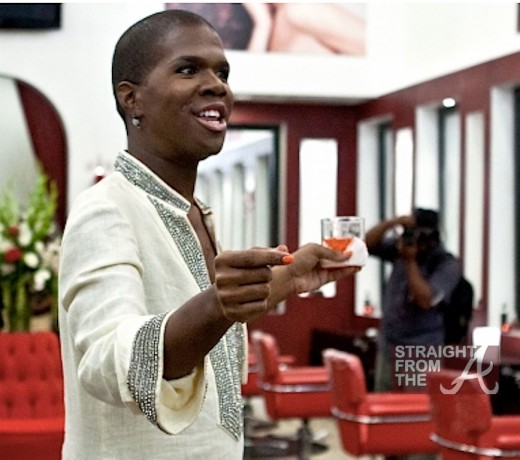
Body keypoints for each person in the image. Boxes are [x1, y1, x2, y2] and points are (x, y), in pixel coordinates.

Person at [58, 10, 361, 460]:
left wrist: (290, 278)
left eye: (222, 73)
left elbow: (198, 312)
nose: (216, 85)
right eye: (187, 69)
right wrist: (218, 304)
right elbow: (107, 359)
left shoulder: (193, 210)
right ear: (132, 99)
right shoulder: (105, 210)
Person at [365, 208, 462, 393]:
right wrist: (392, 222)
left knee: (416, 406)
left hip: (421, 351)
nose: (415, 240)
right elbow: (366, 244)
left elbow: (425, 300)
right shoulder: (402, 249)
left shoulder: (446, 263)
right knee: (384, 404)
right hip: (389, 346)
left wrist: (410, 261)